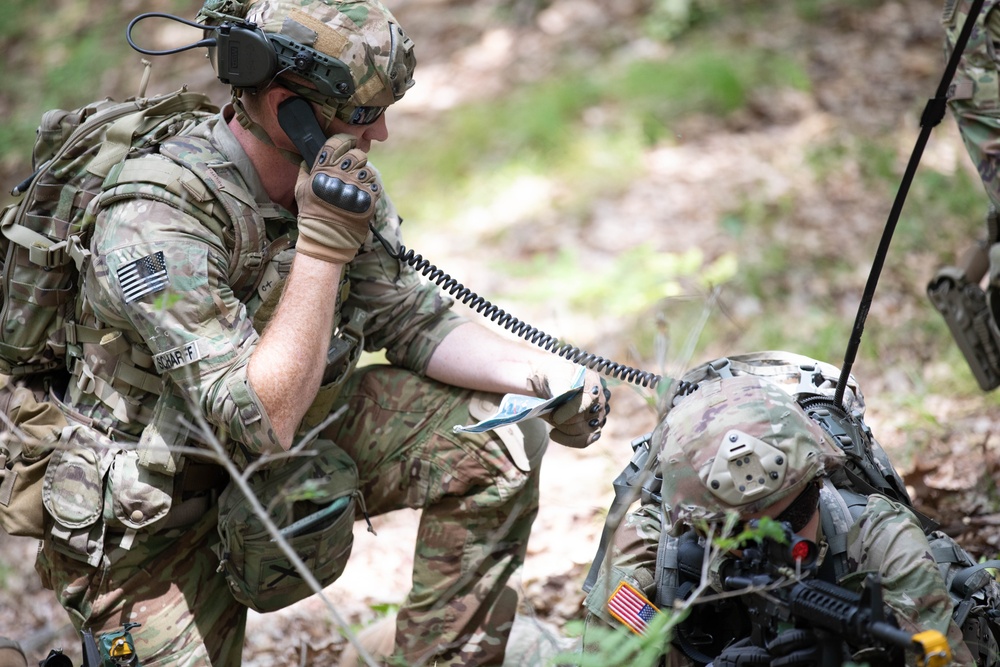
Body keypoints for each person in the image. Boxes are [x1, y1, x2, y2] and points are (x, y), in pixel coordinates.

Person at [31, 0, 610, 665]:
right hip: (159, 511)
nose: (382, 133)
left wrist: (543, 375)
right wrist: (322, 245)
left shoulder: (335, 177)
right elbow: (260, 415)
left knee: (501, 433)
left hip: (294, 439)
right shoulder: (153, 219)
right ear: (287, 109)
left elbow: (409, 317)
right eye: (364, 115)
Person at [582, 371, 976, 667]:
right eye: (735, 532)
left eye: (794, 514)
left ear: (818, 481)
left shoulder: (879, 540)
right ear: (690, 523)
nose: (772, 542)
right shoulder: (650, 556)